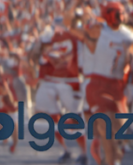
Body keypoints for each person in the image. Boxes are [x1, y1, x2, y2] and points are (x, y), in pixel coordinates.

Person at [73, 1, 133, 165]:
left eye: (120, 13)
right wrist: (81, 13)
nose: (118, 17)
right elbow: (77, 28)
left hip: (117, 87)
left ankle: (106, 155)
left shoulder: (127, 35)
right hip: (97, 84)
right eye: (114, 13)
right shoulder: (98, 30)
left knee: (119, 132)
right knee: (105, 129)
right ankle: (103, 156)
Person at [30, 22, 87, 164]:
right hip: (60, 82)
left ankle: (85, 151)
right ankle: (72, 150)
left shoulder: (68, 42)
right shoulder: (68, 41)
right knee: (56, 120)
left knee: (73, 119)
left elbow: (56, 60)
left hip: (68, 81)